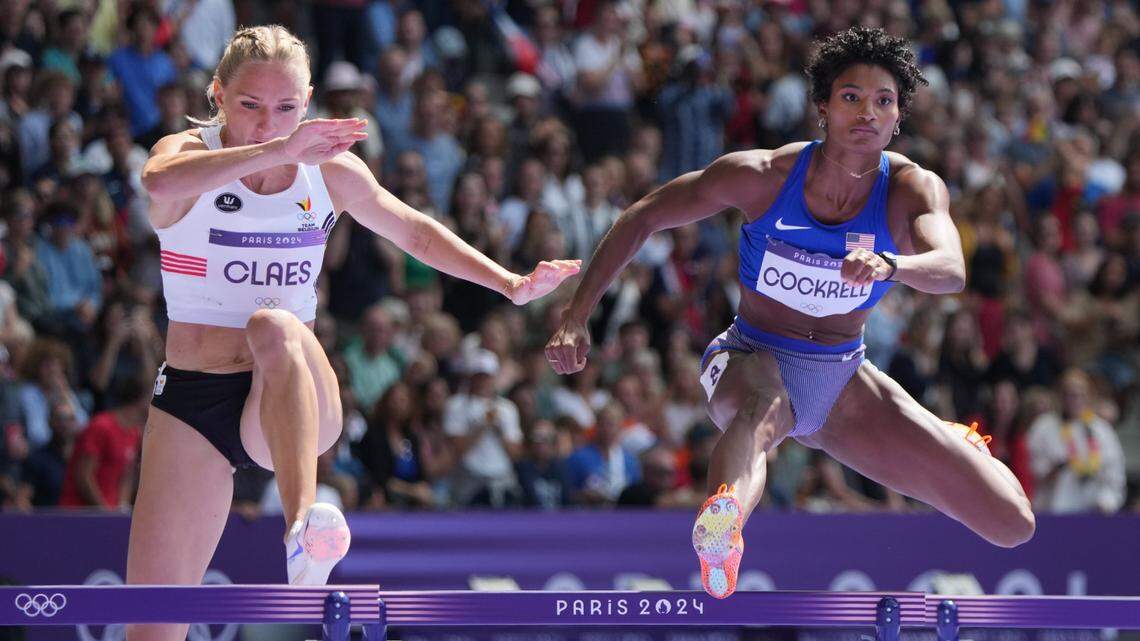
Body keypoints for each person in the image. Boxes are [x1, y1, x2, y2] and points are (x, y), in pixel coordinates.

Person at [546, 26, 1034, 599]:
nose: (867, 113)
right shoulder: (761, 177)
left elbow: (951, 267)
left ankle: (959, 440)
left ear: (899, 116)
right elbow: (643, 215)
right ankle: (722, 524)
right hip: (750, 354)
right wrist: (577, 314)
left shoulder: (910, 188)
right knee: (763, 409)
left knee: (1011, 523)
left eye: (884, 101)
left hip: (841, 377)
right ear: (823, 106)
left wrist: (890, 265)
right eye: (851, 97)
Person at [130, 24, 579, 641]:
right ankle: (298, 532)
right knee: (152, 630)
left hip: (292, 396)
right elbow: (156, 186)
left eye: (287, 109)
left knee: (273, 324)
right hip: (192, 399)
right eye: (250, 106)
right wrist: (279, 152)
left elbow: (415, 232)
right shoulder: (183, 155)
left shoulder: (329, 172)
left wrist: (510, 283)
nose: (269, 124)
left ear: (309, 102)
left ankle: (302, 533)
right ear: (217, 95)